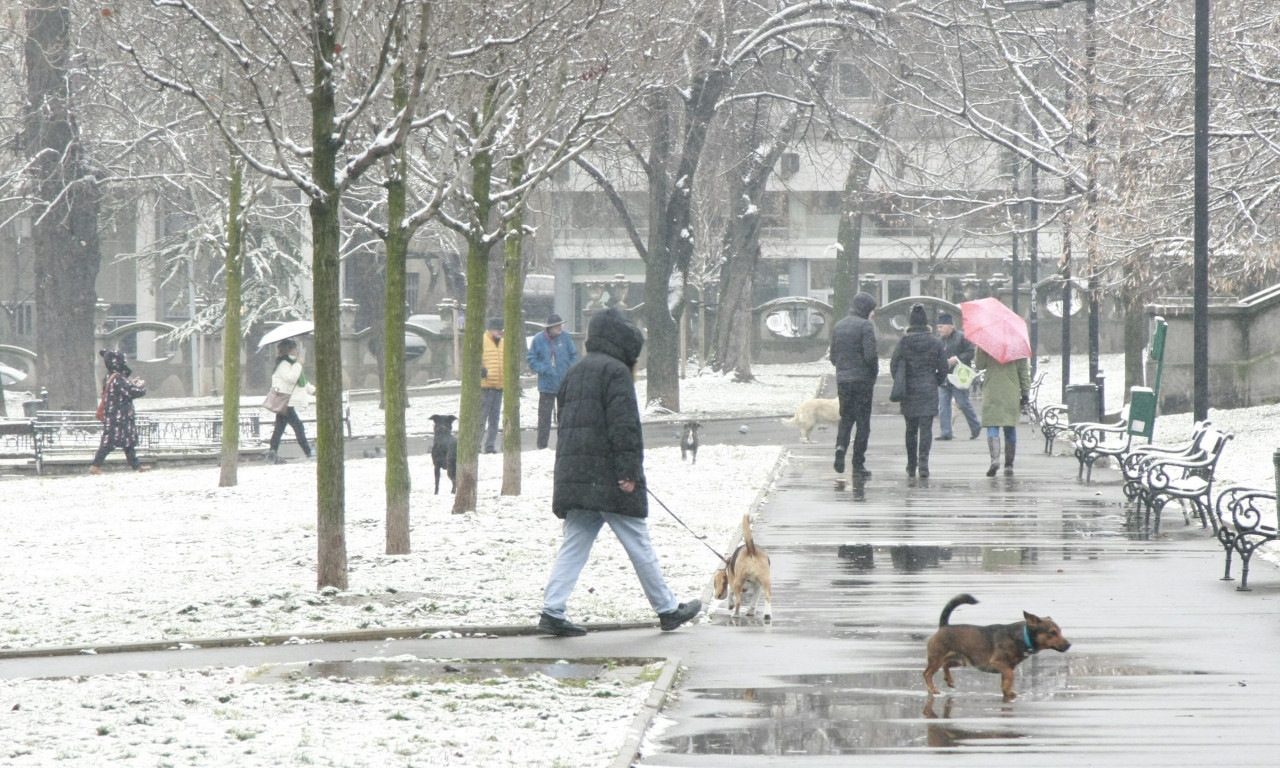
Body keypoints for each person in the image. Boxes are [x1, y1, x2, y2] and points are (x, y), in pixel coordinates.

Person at [537, 308, 701, 637]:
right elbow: (624, 426)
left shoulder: (575, 370)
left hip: (577, 476)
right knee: (639, 542)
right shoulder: (615, 372)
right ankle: (668, 609)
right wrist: (628, 472)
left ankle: (552, 611)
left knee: (574, 545)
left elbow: (565, 425)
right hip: (609, 478)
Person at [889, 304, 949, 478]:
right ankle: (924, 464)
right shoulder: (935, 342)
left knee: (910, 429)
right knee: (926, 428)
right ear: (926, 322)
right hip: (928, 388)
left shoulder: (904, 342)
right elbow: (943, 368)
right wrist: (935, 381)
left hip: (909, 390)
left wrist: (901, 380)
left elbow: (894, 365)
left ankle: (911, 464)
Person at [830, 291, 879, 476]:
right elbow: (870, 356)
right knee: (863, 423)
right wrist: (872, 374)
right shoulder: (866, 326)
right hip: (862, 381)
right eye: (872, 310)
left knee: (846, 418)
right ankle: (858, 463)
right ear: (866, 308)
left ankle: (841, 447)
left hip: (843, 380)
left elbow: (833, 356)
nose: (873, 314)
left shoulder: (839, 325)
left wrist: (843, 368)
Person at [974, 340, 1032, 477]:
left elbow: (979, 365)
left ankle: (995, 460)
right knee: (1009, 426)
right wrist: (1025, 393)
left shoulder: (989, 341)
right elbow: (1023, 371)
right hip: (1011, 390)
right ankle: (1009, 465)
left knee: (992, 424)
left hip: (992, 389)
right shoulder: (1018, 344)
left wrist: (980, 348)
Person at [89, 349, 151, 474]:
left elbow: (123, 390)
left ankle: (136, 466)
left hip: (116, 415)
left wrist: (132, 384)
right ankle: (95, 466)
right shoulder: (118, 378)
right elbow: (133, 392)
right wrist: (141, 386)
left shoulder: (111, 377)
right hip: (118, 417)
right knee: (109, 442)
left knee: (127, 442)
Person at [526, 313, 578, 450]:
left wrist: (569, 370)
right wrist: (544, 369)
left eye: (561, 325)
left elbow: (574, 355)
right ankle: (542, 446)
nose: (560, 328)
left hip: (564, 384)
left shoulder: (566, 337)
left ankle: (565, 444)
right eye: (557, 326)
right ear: (550, 328)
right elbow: (531, 359)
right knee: (544, 418)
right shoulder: (538, 339)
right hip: (546, 386)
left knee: (565, 417)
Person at [266, 338, 316, 464]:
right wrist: (299, 364)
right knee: (298, 427)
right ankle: (308, 451)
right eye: (294, 348)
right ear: (290, 350)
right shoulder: (284, 364)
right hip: (286, 402)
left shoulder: (291, 364)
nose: (296, 351)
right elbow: (292, 378)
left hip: (287, 402)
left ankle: (272, 451)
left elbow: (302, 382)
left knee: (280, 428)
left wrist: (314, 391)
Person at [936, 312, 982, 441]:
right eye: (938, 327)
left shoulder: (962, 337)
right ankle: (946, 432)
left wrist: (958, 359)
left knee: (963, 403)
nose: (939, 330)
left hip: (959, 376)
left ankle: (975, 426)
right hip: (944, 376)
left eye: (942, 326)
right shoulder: (939, 341)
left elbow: (971, 351)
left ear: (950, 326)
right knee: (943, 405)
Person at [480, 317, 504, 454]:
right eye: (498, 329)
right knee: (481, 419)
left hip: (499, 386)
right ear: (491, 329)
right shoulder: (482, 340)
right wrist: (481, 370)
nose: (500, 332)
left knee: (494, 420)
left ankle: (490, 446)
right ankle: (476, 444)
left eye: (501, 329)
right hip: (485, 386)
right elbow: (475, 359)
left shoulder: (503, 342)